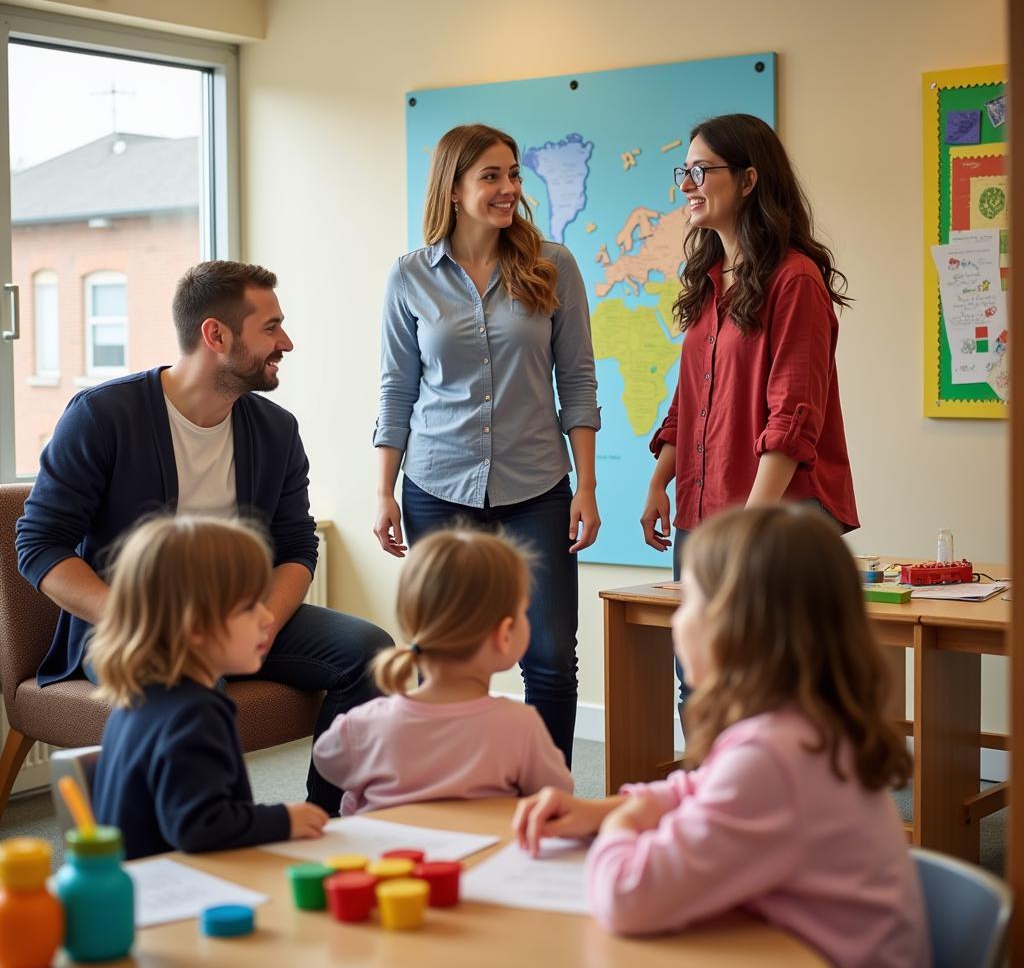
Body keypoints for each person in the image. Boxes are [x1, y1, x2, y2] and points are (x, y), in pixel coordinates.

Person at [15, 259, 392, 814]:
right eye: (271, 327)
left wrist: (264, 616)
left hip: (238, 612)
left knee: (370, 653)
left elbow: (295, 547)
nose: (286, 341)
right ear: (214, 334)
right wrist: (147, 621)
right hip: (131, 622)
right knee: (188, 683)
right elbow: (40, 545)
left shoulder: (276, 430)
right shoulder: (102, 416)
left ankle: (327, 817)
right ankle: (205, 829)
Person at [513, 505, 928, 968]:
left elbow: (628, 897)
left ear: (735, 627)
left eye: (688, 601)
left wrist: (623, 821)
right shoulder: (798, 727)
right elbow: (694, 791)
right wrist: (599, 810)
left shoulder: (771, 758)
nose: (676, 620)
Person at [372, 123, 601, 766]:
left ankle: (546, 785)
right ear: (453, 188)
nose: (509, 190)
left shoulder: (554, 265)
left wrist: (585, 486)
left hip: (538, 488)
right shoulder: (410, 277)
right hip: (435, 486)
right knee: (445, 653)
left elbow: (578, 380)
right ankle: (447, 784)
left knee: (551, 652)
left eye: (514, 175)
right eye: (491, 177)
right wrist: (383, 492)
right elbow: (397, 390)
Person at [639, 113, 859, 716]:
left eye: (702, 170)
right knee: (703, 683)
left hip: (774, 519)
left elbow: (793, 418)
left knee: (772, 688)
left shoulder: (796, 281)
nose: (688, 183)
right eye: (684, 170)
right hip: (701, 513)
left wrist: (749, 531)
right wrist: (662, 480)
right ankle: (717, 809)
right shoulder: (709, 283)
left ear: (748, 180)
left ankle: (775, 809)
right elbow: (690, 400)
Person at [89, 515, 327, 860]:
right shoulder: (196, 713)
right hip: (174, 892)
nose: (267, 617)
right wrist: (283, 819)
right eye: (249, 607)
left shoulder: (140, 696)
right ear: (194, 625)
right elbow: (198, 825)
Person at [313, 528, 573, 815]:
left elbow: (327, 762)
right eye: (523, 612)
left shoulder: (361, 725)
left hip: (389, 856)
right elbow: (557, 794)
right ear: (504, 634)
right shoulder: (522, 727)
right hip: (485, 858)